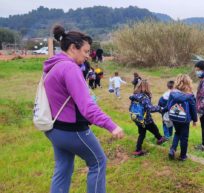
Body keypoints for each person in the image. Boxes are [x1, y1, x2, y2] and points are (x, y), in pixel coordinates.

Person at [44, 25, 124, 193]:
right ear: (73, 48)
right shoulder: (70, 68)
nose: (88, 56)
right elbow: (87, 107)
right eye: (86, 51)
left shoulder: (52, 66)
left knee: (63, 167)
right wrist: (112, 125)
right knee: (98, 162)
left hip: (54, 128)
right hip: (72, 131)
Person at [129, 80, 167, 156]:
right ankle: (160, 139)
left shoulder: (134, 96)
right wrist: (160, 108)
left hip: (137, 118)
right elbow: (150, 108)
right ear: (147, 87)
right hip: (146, 119)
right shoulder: (144, 97)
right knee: (154, 128)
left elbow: (130, 108)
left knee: (142, 133)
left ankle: (138, 150)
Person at [164, 75, 197, 161]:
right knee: (184, 137)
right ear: (188, 83)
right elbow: (193, 108)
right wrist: (195, 120)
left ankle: (172, 149)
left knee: (177, 132)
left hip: (174, 117)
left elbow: (168, 106)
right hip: (185, 120)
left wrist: (161, 110)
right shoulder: (190, 96)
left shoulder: (172, 93)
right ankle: (183, 156)